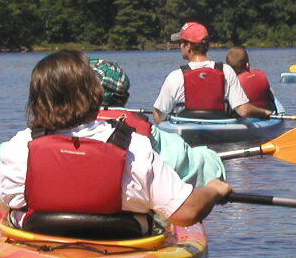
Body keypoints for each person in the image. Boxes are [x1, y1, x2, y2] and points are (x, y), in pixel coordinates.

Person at [0, 50, 231, 229]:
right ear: (94, 94)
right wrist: (212, 190)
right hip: (119, 246)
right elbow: (187, 213)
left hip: (42, 246)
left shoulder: (18, 148)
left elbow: (2, 206)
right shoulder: (133, 146)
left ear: (36, 101)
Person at [89, 57, 226, 186]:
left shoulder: (70, 130)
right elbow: (209, 170)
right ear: (125, 98)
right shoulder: (150, 136)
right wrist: (210, 157)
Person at [153, 22, 272, 122]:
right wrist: (264, 112)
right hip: (221, 134)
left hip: (187, 135)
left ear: (188, 46)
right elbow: (244, 110)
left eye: (180, 43)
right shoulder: (227, 71)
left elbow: (159, 114)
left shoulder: (175, 77)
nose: (179, 47)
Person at [225, 47, 276, 112]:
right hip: (268, 112)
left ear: (229, 68)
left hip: (244, 116)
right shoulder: (260, 74)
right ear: (248, 65)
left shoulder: (232, 83)